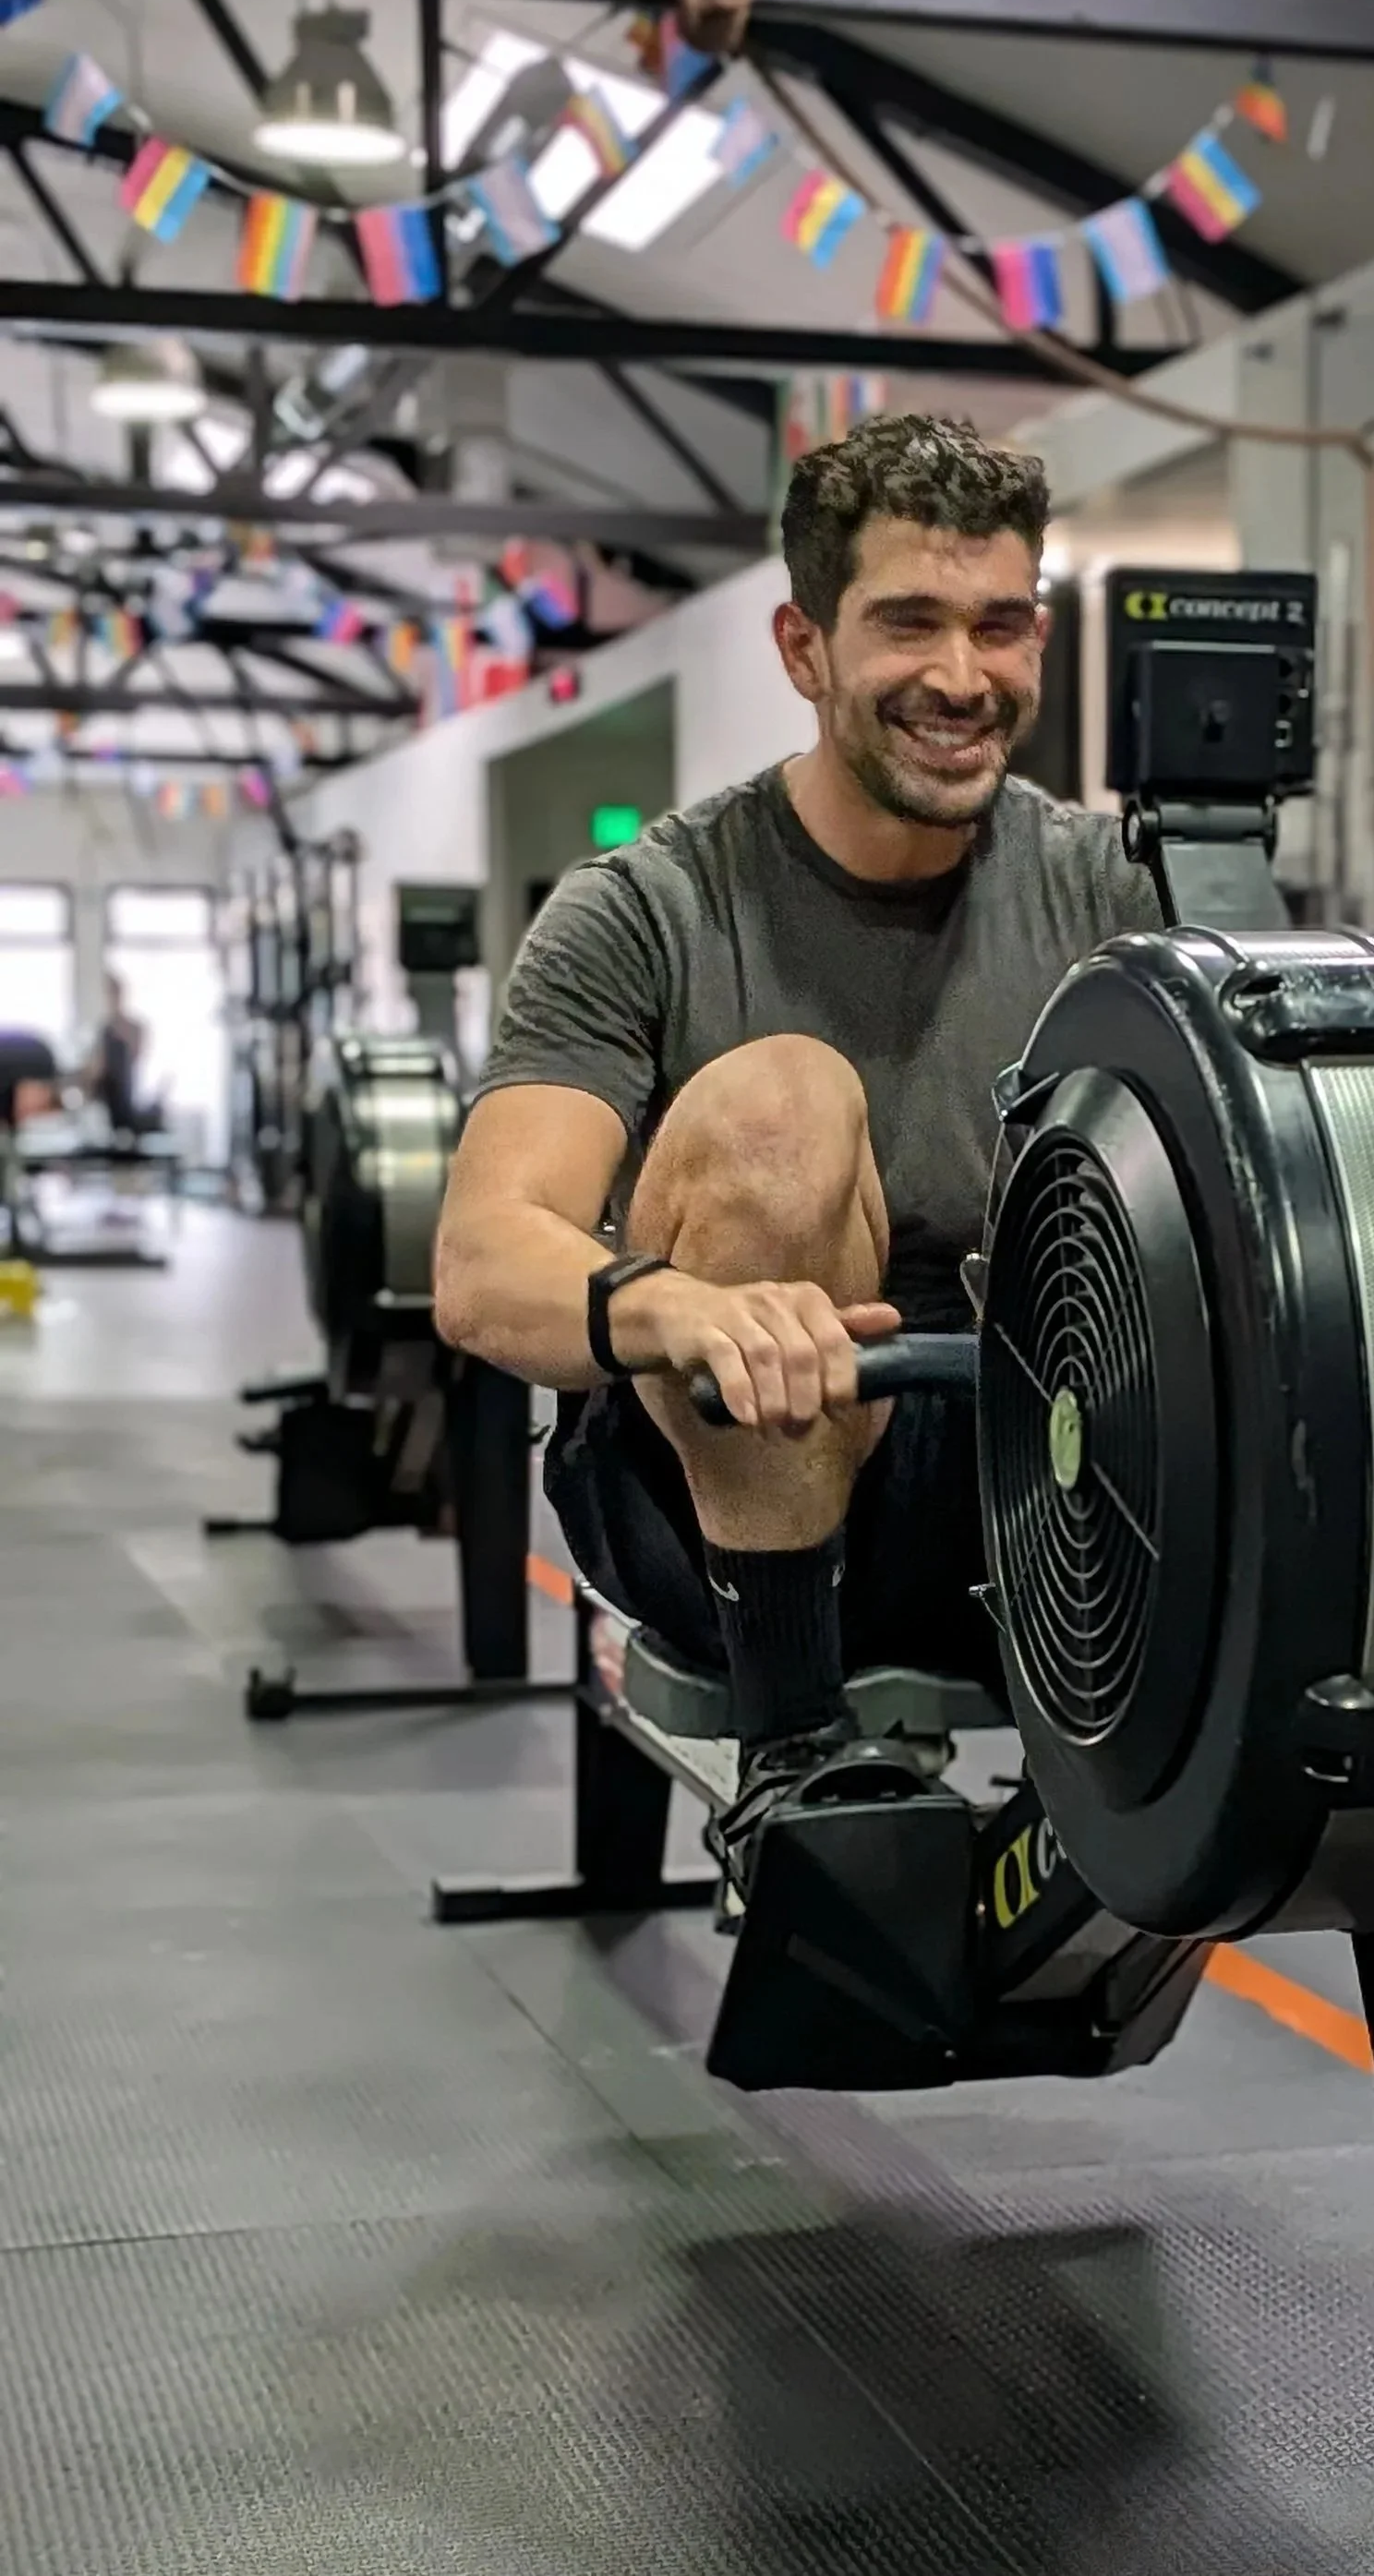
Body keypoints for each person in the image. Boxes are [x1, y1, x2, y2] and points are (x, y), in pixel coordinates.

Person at [434, 415, 1162, 1882]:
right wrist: (678, 1305)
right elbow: (481, 1260)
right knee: (781, 1097)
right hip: (712, 1491)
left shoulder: (1113, 888)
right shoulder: (649, 905)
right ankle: (791, 1746)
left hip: (1041, 1480)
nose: (961, 676)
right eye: (908, 623)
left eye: (999, 626)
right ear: (802, 645)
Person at [84, 973, 153, 1141]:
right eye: (107, 994)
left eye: (114, 993)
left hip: (127, 1099)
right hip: (104, 1103)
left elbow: (138, 1055)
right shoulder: (103, 1029)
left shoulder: (134, 1027)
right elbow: (96, 1067)